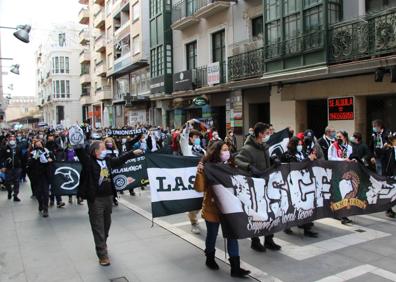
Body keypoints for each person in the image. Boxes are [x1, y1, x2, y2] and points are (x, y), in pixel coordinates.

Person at [75, 140, 142, 266]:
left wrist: (133, 153)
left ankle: (103, 243)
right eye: (102, 148)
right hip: (95, 200)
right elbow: (80, 153)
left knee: (107, 224)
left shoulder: (107, 160)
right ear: (95, 151)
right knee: (98, 226)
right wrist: (76, 143)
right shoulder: (89, 162)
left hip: (108, 197)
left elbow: (120, 159)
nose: (105, 150)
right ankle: (102, 255)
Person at [195, 141, 250, 278]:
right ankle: (210, 258)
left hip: (230, 208)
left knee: (233, 236)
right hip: (212, 209)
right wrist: (200, 172)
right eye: (224, 150)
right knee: (212, 235)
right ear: (216, 152)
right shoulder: (207, 167)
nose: (227, 152)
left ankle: (235, 268)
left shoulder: (231, 165)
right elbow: (199, 188)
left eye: (228, 149)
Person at [235, 122, 281, 252]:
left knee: (270, 213)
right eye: (266, 133)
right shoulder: (248, 148)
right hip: (255, 187)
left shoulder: (264, 146)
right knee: (257, 215)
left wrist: (273, 160)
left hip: (267, 184)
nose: (268, 135)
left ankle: (269, 239)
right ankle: (255, 241)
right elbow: (238, 160)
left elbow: (265, 161)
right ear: (260, 134)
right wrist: (248, 166)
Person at [281, 137, 319, 237]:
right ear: (293, 144)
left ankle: (306, 228)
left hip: (304, 182)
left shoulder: (301, 153)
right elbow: (296, 166)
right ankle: (287, 225)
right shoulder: (288, 155)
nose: (300, 146)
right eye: (298, 144)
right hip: (292, 183)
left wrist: (312, 159)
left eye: (301, 144)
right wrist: (308, 159)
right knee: (291, 205)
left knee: (305, 205)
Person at [179, 119, 205, 234]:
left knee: (200, 203)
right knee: (192, 204)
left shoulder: (203, 151)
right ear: (190, 139)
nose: (197, 139)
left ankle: (192, 216)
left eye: (199, 137)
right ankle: (193, 222)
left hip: (202, 179)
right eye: (195, 137)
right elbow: (182, 139)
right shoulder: (187, 149)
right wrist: (187, 127)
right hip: (190, 180)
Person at [328, 131, 354, 224]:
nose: (338, 138)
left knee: (346, 193)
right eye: (337, 136)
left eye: (340, 136)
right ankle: (339, 213)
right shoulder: (333, 146)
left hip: (346, 172)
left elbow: (350, 157)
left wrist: (352, 160)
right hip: (336, 171)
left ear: (345, 137)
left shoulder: (349, 147)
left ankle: (344, 213)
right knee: (338, 192)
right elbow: (330, 158)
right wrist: (343, 160)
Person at [27, 140, 54, 218]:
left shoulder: (48, 152)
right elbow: (30, 164)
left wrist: (50, 160)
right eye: (37, 145)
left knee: (45, 192)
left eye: (40, 144)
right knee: (38, 193)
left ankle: (45, 209)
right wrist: (36, 156)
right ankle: (40, 204)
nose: (39, 146)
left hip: (45, 175)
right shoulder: (33, 154)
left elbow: (53, 161)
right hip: (36, 176)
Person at [0, 135, 24, 201]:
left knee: (16, 182)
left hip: (17, 168)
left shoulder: (18, 148)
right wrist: (2, 167)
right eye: (11, 139)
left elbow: (21, 157)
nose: (12, 140)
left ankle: (15, 195)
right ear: (8, 140)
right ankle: (9, 191)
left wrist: (22, 166)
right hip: (8, 168)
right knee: (7, 181)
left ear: (15, 140)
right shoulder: (4, 148)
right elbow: (1, 158)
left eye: (13, 139)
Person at [379, 132, 396, 218]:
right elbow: (378, 154)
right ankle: (388, 210)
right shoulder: (387, 149)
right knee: (391, 192)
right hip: (389, 173)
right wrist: (384, 147)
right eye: (392, 140)